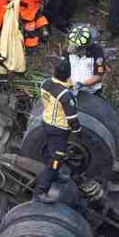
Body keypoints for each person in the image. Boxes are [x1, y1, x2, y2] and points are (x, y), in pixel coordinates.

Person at [36, 57, 81, 193]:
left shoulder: (45, 84)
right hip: (59, 129)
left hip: (47, 122)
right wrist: (78, 131)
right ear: (68, 74)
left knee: (52, 151)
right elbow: (72, 118)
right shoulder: (65, 95)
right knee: (56, 158)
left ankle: (55, 175)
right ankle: (42, 188)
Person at [66, 24, 107, 94]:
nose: (74, 49)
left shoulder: (97, 51)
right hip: (73, 88)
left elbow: (98, 75)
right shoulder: (70, 49)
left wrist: (82, 84)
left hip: (92, 91)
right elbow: (67, 68)